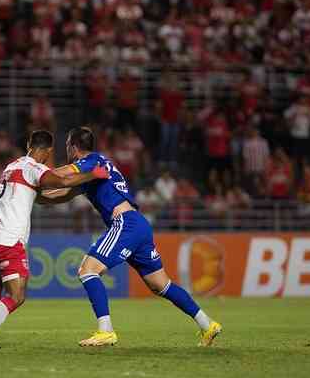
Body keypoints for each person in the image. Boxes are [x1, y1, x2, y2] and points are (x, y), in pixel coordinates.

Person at [40, 127, 221, 347]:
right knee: (160, 284)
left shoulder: (93, 160)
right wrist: (33, 195)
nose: (65, 148)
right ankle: (207, 324)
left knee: (88, 270)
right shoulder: (91, 173)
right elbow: (62, 193)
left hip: (125, 223)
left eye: (67, 144)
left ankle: (105, 331)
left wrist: (35, 174)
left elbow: (62, 175)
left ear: (73, 146)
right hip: (138, 224)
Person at [0, 130, 109, 349]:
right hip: (8, 239)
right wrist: (93, 175)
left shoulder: (12, 166)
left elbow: (40, 194)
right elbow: (60, 180)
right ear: (49, 150)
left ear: (28, 144)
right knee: (17, 295)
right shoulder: (34, 168)